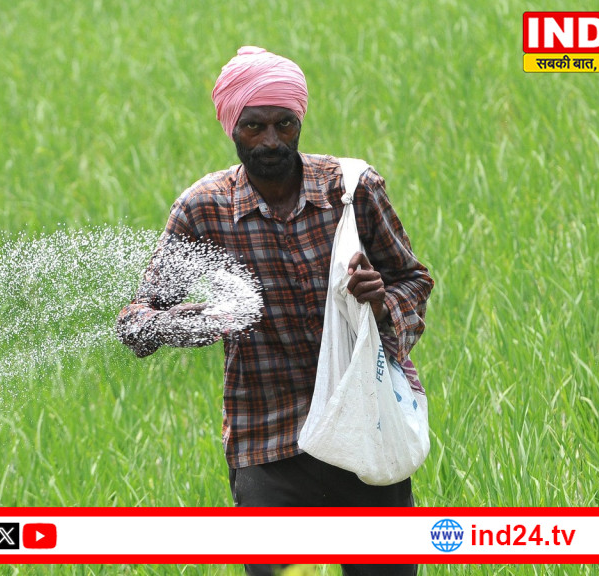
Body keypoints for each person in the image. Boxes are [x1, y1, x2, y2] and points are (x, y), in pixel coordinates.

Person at [116, 46, 433, 576]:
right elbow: (137, 321)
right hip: (268, 441)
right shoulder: (203, 210)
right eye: (254, 126)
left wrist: (381, 301)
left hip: (364, 426)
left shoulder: (351, 190)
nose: (270, 141)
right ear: (231, 126)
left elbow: (413, 280)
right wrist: (201, 321)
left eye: (285, 125)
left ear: (299, 121)